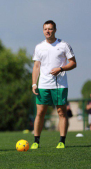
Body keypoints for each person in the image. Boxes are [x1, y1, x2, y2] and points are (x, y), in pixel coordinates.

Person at [31, 20, 77, 149]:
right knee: (40, 113)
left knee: (61, 112)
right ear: (43, 30)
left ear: (55, 30)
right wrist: (34, 84)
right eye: (45, 29)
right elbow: (36, 66)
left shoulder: (63, 45)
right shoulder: (39, 47)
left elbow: (73, 63)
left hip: (60, 85)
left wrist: (61, 69)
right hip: (43, 85)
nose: (48, 31)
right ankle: (36, 141)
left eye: (50, 29)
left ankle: (62, 141)